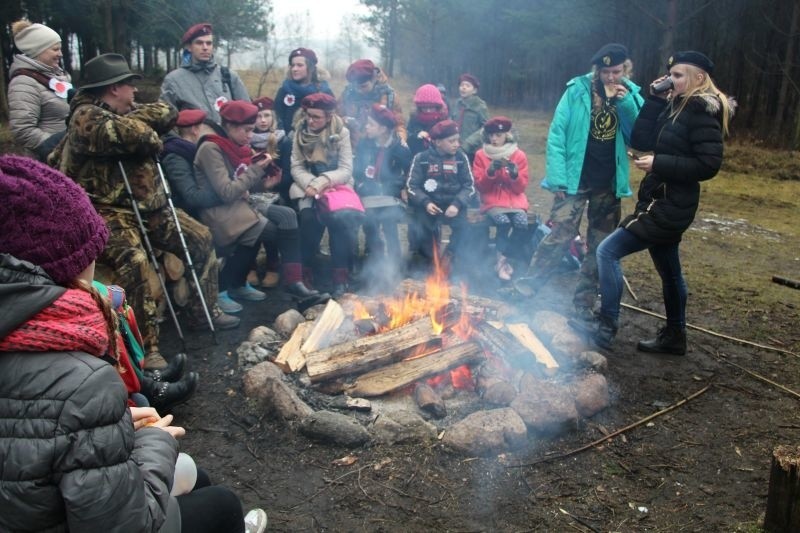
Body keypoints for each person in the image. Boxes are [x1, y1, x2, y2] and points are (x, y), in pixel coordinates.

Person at [0, 154, 267, 533]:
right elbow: (125, 525)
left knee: (198, 478)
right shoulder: (78, 378)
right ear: (66, 265)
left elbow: (33, 437)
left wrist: (114, 427)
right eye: (90, 250)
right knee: (221, 504)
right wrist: (154, 443)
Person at [49, 53, 238, 370]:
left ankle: (202, 311)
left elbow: (168, 113)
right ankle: (147, 347)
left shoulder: (124, 112)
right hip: (106, 211)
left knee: (201, 237)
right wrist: (148, 131)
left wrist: (146, 124)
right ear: (112, 89)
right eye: (129, 86)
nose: (135, 92)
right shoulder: (84, 118)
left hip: (150, 208)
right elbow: (141, 135)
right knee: (134, 261)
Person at [583, 51, 733, 352]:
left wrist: (659, 163)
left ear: (698, 78)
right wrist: (653, 99)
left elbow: (709, 165)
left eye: (678, 75)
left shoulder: (701, 111)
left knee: (607, 251)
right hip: (660, 198)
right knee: (669, 269)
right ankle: (675, 337)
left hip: (668, 203)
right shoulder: (675, 105)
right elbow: (640, 139)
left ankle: (605, 327)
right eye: (670, 75)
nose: (671, 80)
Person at [526, 43, 644, 322]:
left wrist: (625, 102)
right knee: (559, 234)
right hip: (574, 180)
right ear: (597, 70)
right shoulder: (577, 91)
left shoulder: (632, 95)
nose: (611, 77)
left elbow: (640, 136)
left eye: (616, 71)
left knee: (600, 245)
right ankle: (528, 286)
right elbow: (557, 134)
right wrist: (557, 178)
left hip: (608, 182)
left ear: (625, 69)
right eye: (605, 72)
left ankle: (584, 301)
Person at [193, 100, 328, 309]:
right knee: (268, 230)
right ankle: (222, 288)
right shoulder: (211, 149)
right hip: (220, 211)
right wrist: (255, 170)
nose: (250, 136)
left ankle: (291, 282)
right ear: (230, 126)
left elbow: (244, 186)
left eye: (252, 130)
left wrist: (265, 184)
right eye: (247, 130)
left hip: (240, 206)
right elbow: (227, 192)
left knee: (287, 216)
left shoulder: (236, 147)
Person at [290, 93, 362, 297]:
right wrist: (313, 185)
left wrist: (324, 182)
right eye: (308, 116)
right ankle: (306, 274)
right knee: (309, 220)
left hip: (336, 184)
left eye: (316, 117)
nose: (311, 121)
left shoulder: (342, 132)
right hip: (307, 186)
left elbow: (346, 169)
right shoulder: (299, 132)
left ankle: (341, 278)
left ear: (329, 116)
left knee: (340, 221)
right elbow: (296, 166)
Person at [353, 104, 412, 286]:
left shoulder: (400, 149)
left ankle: (395, 266)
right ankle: (374, 263)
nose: (366, 128)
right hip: (368, 195)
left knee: (389, 220)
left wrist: (400, 187)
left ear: (384, 128)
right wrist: (362, 184)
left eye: (371, 124)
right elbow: (358, 171)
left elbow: (409, 173)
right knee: (369, 220)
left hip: (390, 196)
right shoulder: (365, 144)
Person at [406, 119, 475, 267]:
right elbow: (412, 186)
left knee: (464, 228)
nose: (457, 144)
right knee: (422, 226)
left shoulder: (461, 158)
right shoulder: (421, 159)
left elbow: (469, 186)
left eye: (458, 140)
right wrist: (426, 202)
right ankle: (430, 261)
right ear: (437, 142)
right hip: (430, 205)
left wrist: (457, 204)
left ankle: (449, 257)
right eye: (452, 141)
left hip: (454, 204)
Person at [472, 116, 530, 281]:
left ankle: (504, 260)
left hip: (515, 200)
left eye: (498, 135)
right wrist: (490, 172)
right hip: (493, 200)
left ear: (507, 135)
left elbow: (521, 187)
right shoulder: (480, 155)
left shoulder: (519, 155)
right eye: (491, 135)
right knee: (503, 223)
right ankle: (501, 262)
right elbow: (481, 187)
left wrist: (514, 175)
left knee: (521, 224)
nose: (494, 139)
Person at [160, 22, 250, 124]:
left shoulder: (228, 76)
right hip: (192, 138)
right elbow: (165, 121)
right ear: (189, 47)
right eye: (199, 43)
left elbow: (248, 114)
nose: (205, 47)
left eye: (209, 43)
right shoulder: (173, 81)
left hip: (226, 139)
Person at [7, 19, 72, 161]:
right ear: (38, 50)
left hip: (68, 158)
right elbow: (23, 130)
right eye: (55, 49)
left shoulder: (59, 77)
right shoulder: (23, 82)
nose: (60, 54)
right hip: (49, 162)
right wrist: (60, 147)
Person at [249, 96, 290, 287]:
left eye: (266, 115)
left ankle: (273, 264)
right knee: (251, 224)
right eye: (258, 116)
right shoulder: (247, 139)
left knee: (273, 222)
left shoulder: (281, 139)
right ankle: (249, 266)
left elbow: (287, 169)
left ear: (273, 117)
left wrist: (276, 183)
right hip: (251, 192)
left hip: (276, 192)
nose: (263, 120)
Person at [339, 58, 406, 151]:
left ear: (374, 79)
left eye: (363, 86)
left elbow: (398, 124)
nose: (359, 90)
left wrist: (401, 141)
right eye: (356, 87)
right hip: (352, 147)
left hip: (381, 149)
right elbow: (337, 119)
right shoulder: (347, 94)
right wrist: (344, 121)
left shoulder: (388, 96)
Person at [274, 47, 334, 134]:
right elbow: (277, 116)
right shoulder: (285, 90)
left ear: (311, 68)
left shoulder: (324, 91)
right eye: (292, 65)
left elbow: (332, 118)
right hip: (289, 140)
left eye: (299, 65)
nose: (294, 69)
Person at [451, 73, 489, 163]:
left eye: (467, 86)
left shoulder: (480, 106)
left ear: (474, 90)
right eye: (461, 85)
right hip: (455, 147)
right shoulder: (457, 104)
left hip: (472, 151)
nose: (463, 88)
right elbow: (451, 121)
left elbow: (486, 128)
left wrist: (469, 143)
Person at [407, 83, 450, 156]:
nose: (428, 111)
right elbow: (408, 136)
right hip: (417, 154)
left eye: (431, 107)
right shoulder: (414, 118)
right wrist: (417, 134)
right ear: (419, 108)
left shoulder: (443, 120)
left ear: (437, 107)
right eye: (425, 108)